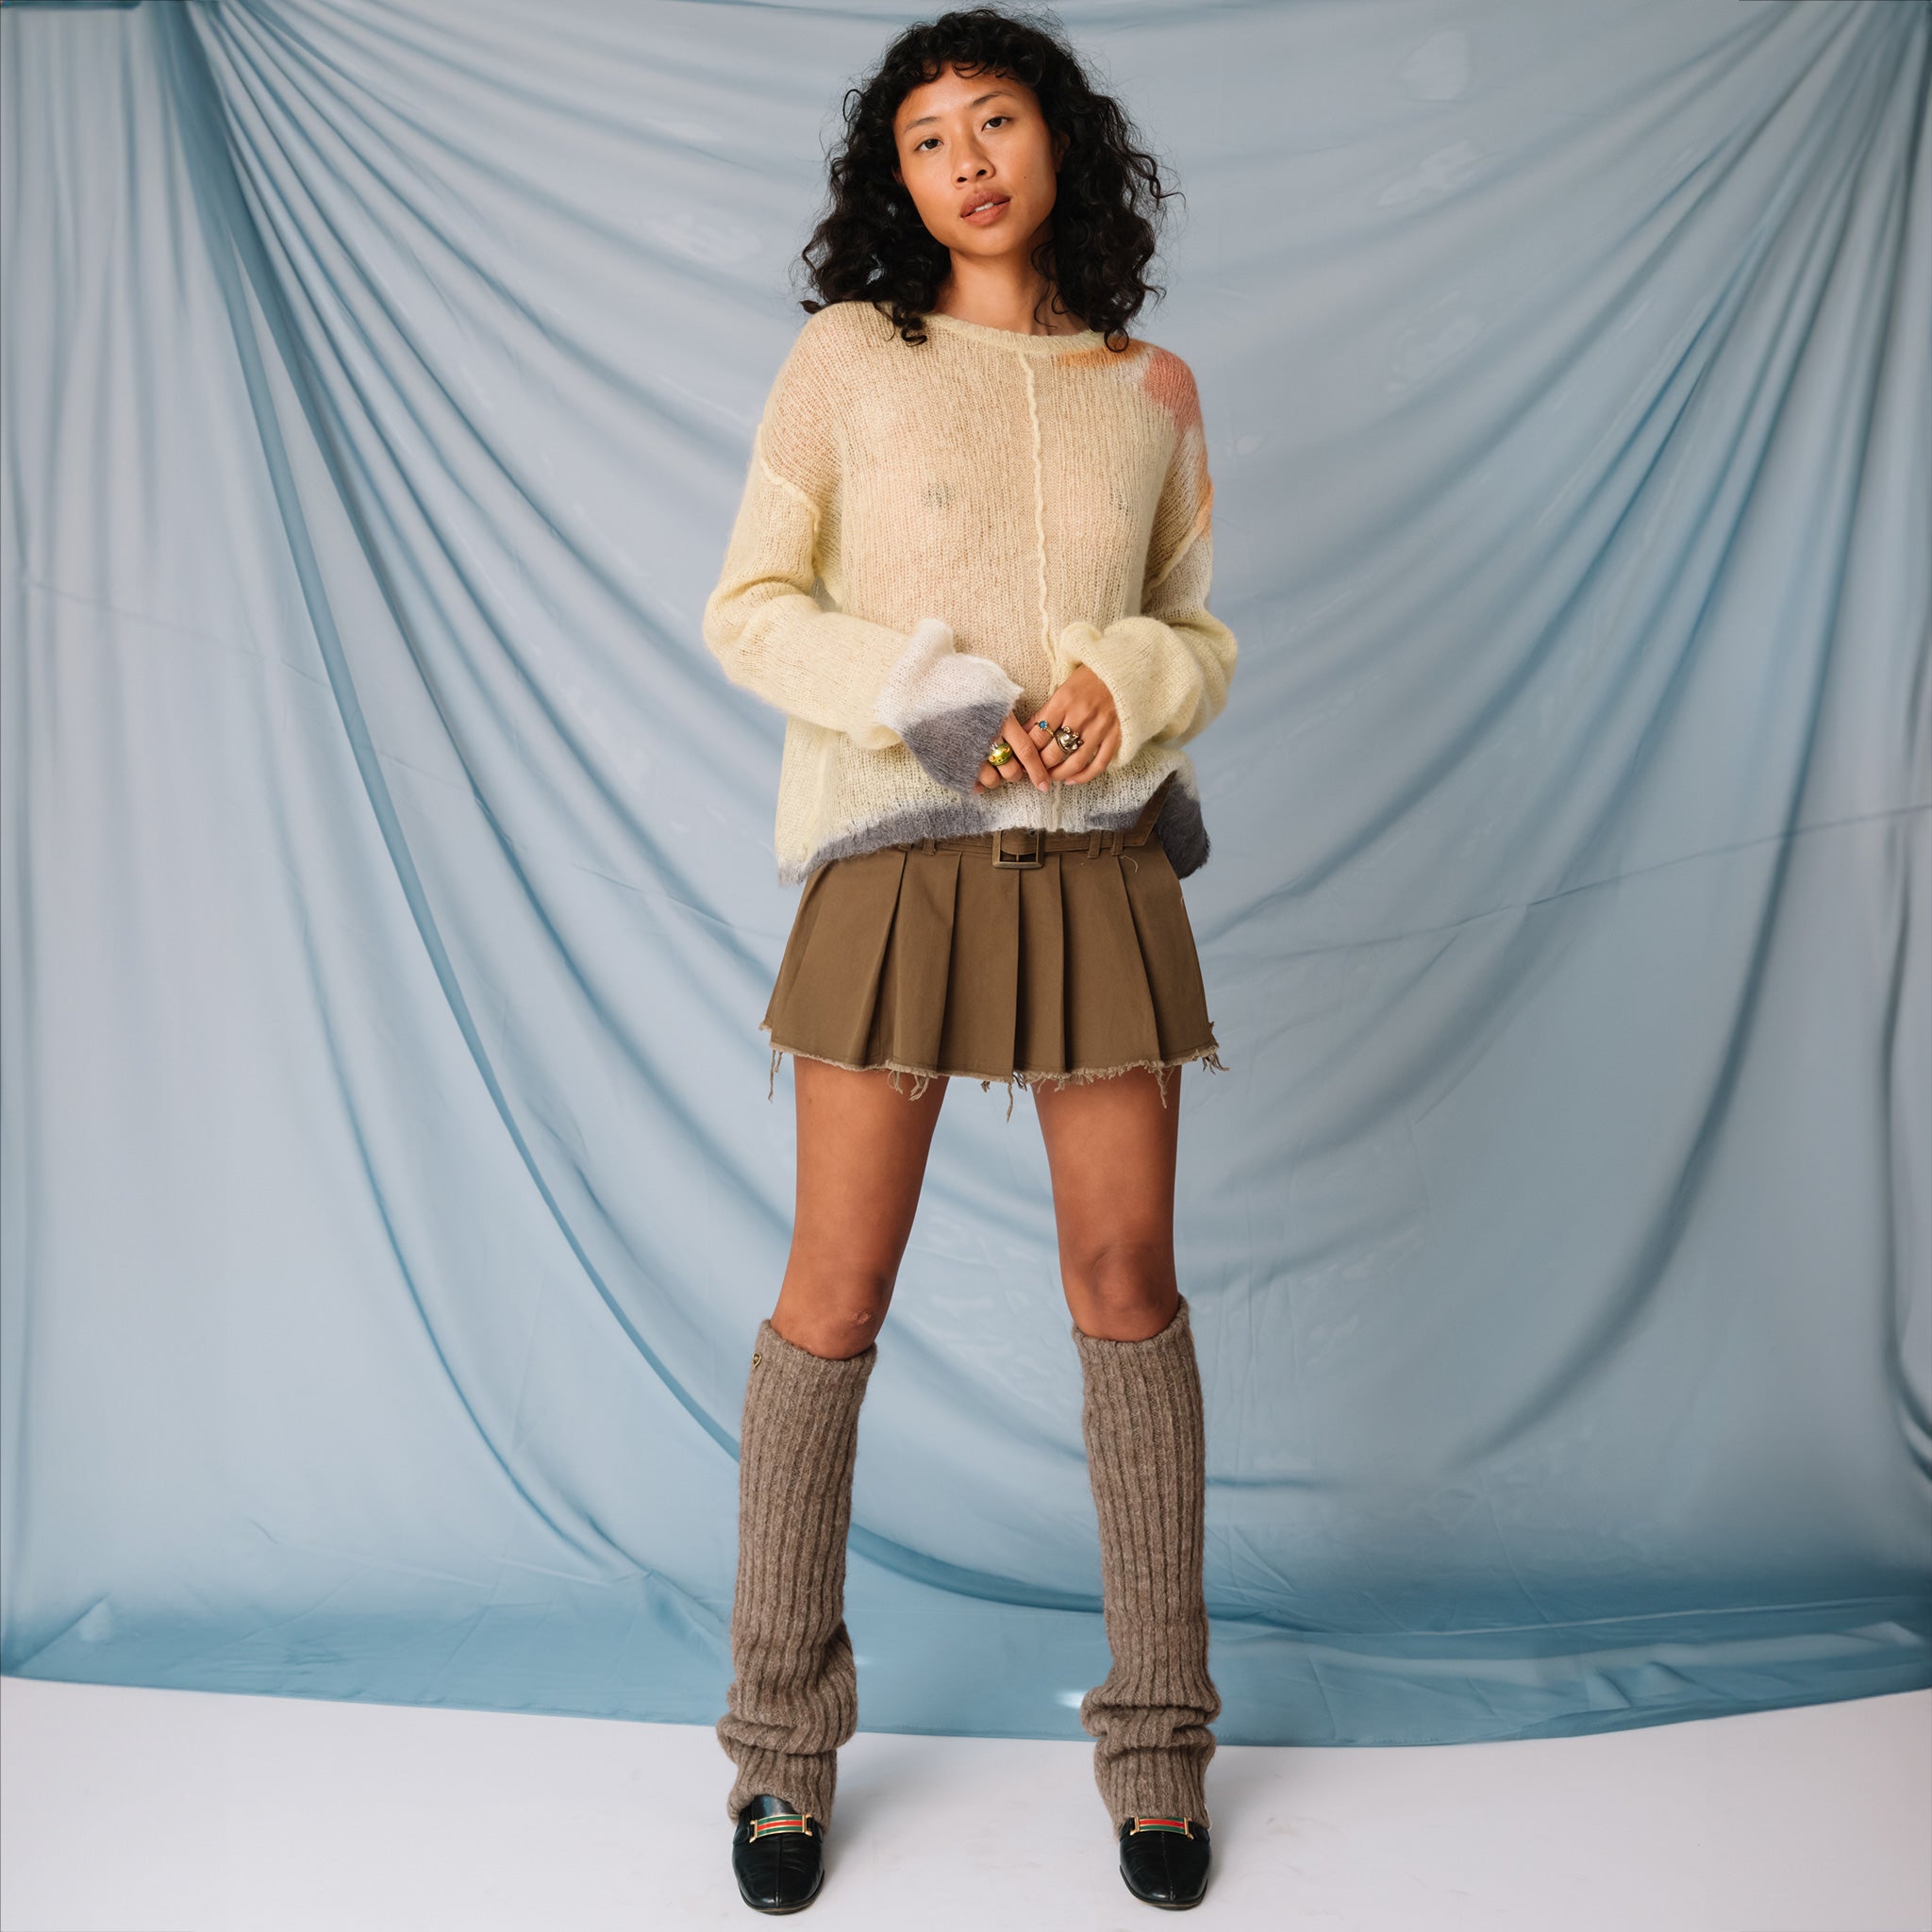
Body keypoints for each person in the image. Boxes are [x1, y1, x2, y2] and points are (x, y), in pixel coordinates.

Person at [700, 6, 1238, 1912]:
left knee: (1126, 1285)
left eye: (994, 120)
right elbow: (750, 607)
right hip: (896, 858)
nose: (967, 160)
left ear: (1058, 141)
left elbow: (1199, 630)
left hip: (1097, 875)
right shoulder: (847, 359)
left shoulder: (1151, 383)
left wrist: (1129, 683)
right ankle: (777, 1756)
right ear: (895, 181)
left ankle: (1159, 1745)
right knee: (830, 1299)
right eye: (927, 138)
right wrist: (930, 694)